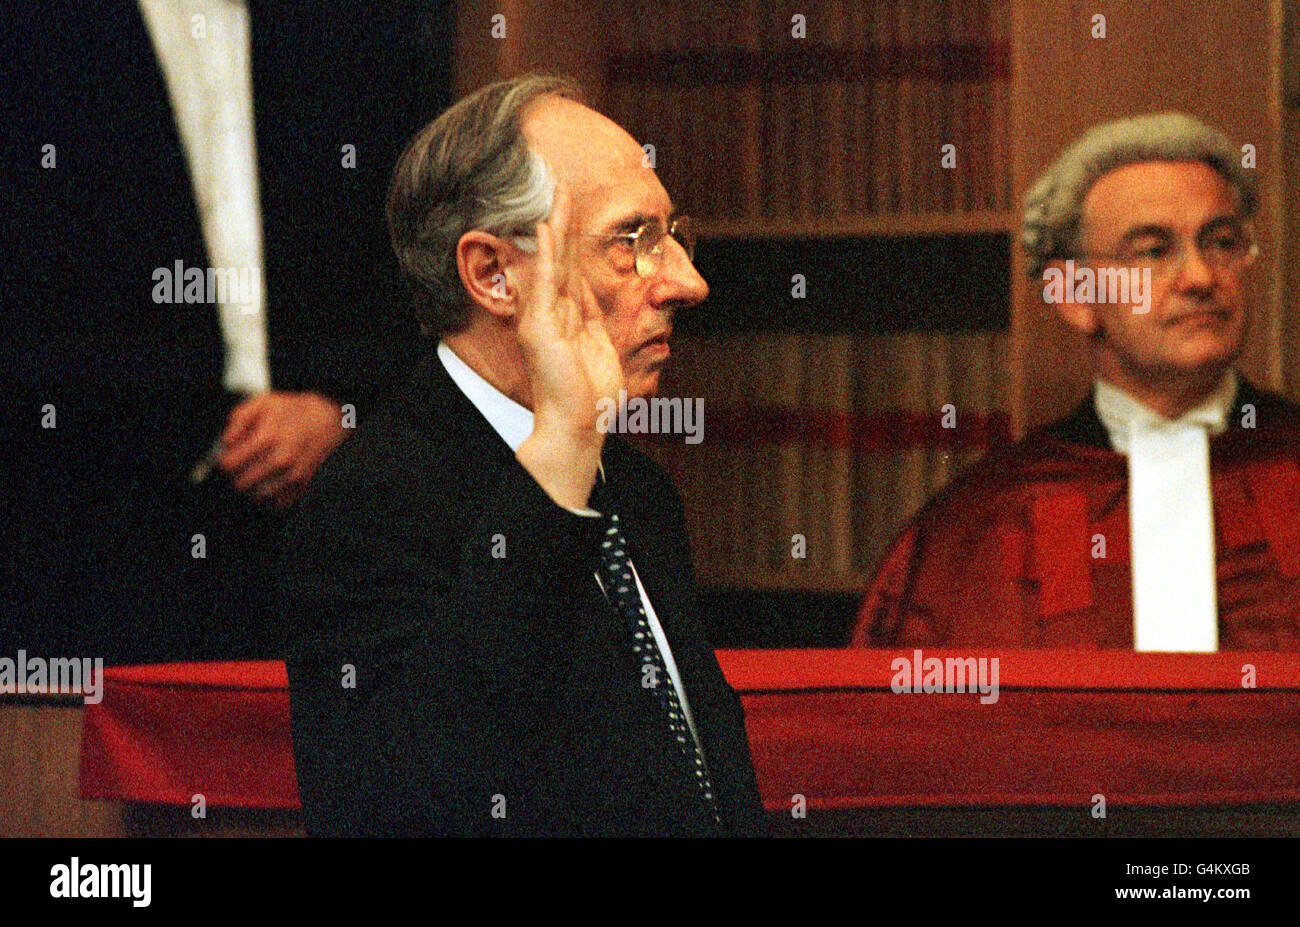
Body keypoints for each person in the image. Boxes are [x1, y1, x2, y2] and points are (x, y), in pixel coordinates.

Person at [281, 75, 767, 836]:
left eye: (675, 236)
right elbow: (402, 807)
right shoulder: (369, 500)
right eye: (631, 242)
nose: (688, 281)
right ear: (492, 275)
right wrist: (561, 454)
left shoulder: (640, 492)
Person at [2, 1, 448, 662]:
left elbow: (420, 252)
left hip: (329, 523)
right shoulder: (36, 32)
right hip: (90, 520)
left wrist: (347, 409)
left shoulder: (357, 28)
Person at [853, 112, 1300, 651]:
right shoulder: (984, 519)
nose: (1202, 278)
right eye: (1155, 251)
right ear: (1074, 295)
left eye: (1222, 243)